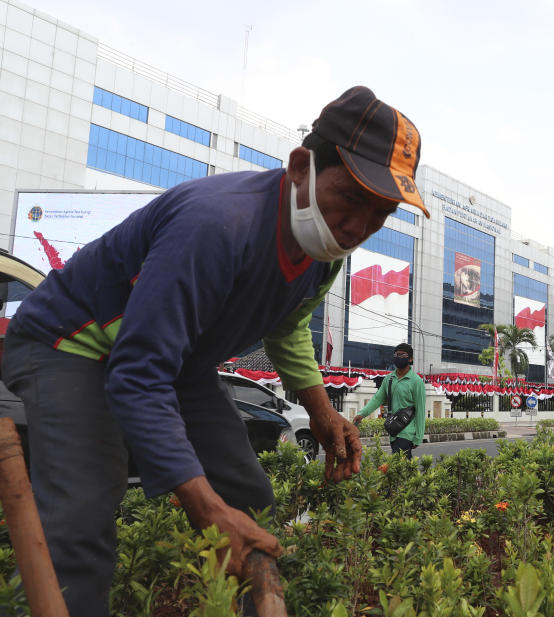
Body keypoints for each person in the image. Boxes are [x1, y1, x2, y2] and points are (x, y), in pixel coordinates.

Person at [1, 85, 429, 617]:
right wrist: (203, 508)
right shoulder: (217, 226)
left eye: (380, 214)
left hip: (176, 363)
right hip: (70, 346)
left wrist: (321, 410)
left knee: (247, 495)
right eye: (350, 198)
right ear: (300, 168)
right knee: (83, 518)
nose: (357, 229)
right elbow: (137, 374)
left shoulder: (324, 252)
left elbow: (289, 325)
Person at [352, 343, 426, 459]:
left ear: (410, 359)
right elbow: (377, 399)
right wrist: (362, 414)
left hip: (407, 431)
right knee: (403, 467)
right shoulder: (389, 379)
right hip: (393, 429)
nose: (399, 357)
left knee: (397, 463)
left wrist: (418, 437)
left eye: (403, 355)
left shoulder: (416, 381)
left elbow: (420, 410)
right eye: (397, 354)